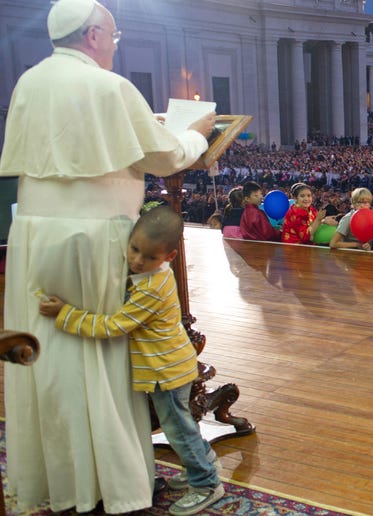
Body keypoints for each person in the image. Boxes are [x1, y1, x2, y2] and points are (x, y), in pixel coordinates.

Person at [0, 0, 215, 512]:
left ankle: (64, 479)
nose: (113, 48)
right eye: (113, 38)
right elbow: (164, 155)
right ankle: (114, 482)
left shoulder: (29, 81)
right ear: (94, 34)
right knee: (99, 355)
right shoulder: (109, 86)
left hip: (33, 234)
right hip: (93, 237)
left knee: (50, 358)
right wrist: (195, 133)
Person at [37, 207, 225, 515]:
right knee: (182, 424)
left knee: (177, 429)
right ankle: (203, 461)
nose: (137, 260)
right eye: (134, 249)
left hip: (167, 370)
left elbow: (114, 326)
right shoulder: (149, 276)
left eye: (149, 257)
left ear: (170, 257)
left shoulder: (151, 288)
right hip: (170, 364)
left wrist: (65, 314)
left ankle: (206, 483)